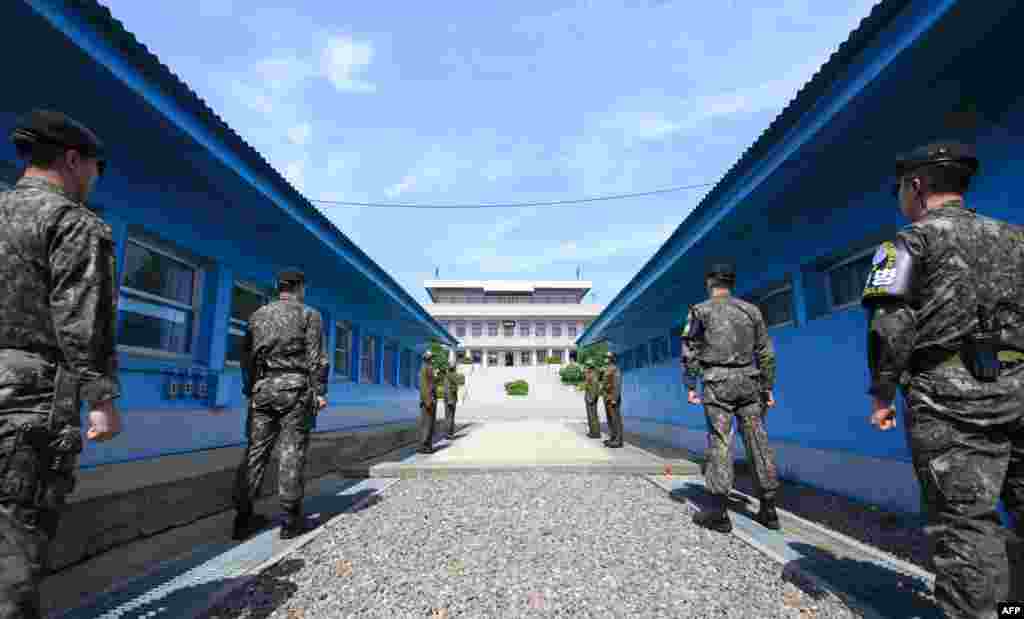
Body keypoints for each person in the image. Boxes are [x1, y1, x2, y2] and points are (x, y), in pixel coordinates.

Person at [862, 142, 1024, 618]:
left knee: (965, 522)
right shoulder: (1017, 238)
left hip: (949, 392)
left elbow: (889, 326)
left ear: (916, 186)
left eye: (900, 189)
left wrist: (882, 393)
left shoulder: (907, 243)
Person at [0, 109, 122, 619]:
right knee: (14, 544)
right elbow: (81, 319)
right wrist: (100, 399)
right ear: (73, 160)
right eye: (96, 167)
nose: (95, 179)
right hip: (32, 395)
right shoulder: (73, 223)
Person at [682, 263, 779, 533]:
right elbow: (766, 351)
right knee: (758, 439)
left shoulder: (700, 311)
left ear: (709, 282)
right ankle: (769, 510)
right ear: (731, 283)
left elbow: (690, 350)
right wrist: (768, 386)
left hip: (717, 383)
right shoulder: (751, 310)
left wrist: (690, 384)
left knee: (720, 440)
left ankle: (718, 512)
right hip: (750, 382)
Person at [232, 268, 328, 541]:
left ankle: (242, 518)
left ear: (279, 287)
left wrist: (250, 387)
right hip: (294, 391)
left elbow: (246, 357)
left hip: (262, 390)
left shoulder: (257, 316)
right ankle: (290, 519)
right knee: (291, 450)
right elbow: (316, 357)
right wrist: (319, 390)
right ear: (300, 287)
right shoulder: (309, 315)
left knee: (255, 451)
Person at [601, 352, 623, 448]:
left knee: (615, 419)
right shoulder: (607, 369)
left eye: (607, 357)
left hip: (612, 398)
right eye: (605, 357)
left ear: (611, 358)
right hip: (607, 397)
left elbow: (617, 384)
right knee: (610, 419)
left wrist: (614, 398)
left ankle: (618, 440)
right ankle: (612, 438)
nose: (605, 358)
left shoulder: (615, 369)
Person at [417, 351, 437, 454]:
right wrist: (428, 400)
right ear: (428, 358)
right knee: (427, 424)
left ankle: (426, 445)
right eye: (431, 358)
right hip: (428, 400)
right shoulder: (427, 368)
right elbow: (425, 386)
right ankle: (425, 446)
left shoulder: (425, 367)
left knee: (427, 423)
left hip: (427, 399)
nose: (433, 359)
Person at [583, 361, 602, 438]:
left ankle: (596, 433)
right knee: (590, 416)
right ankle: (592, 432)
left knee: (593, 416)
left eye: (587, 366)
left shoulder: (593, 375)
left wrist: (592, 398)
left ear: (590, 367)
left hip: (591, 398)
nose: (586, 367)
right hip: (589, 397)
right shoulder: (589, 374)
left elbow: (595, 387)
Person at [443, 360, 459, 439]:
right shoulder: (449, 376)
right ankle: (448, 433)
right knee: (449, 416)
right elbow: (447, 388)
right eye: (454, 366)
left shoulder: (451, 375)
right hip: (450, 399)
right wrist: (450, 399)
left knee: (450, 416)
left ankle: (450, 433)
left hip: (451, 398)